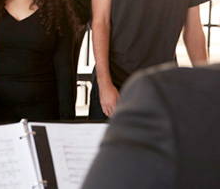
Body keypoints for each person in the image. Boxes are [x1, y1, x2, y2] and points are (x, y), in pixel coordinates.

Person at [81, 64, 220, 189]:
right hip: (120, 75)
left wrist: (204, 88)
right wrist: (104, 82)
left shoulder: (159, 94)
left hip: (156, 85)